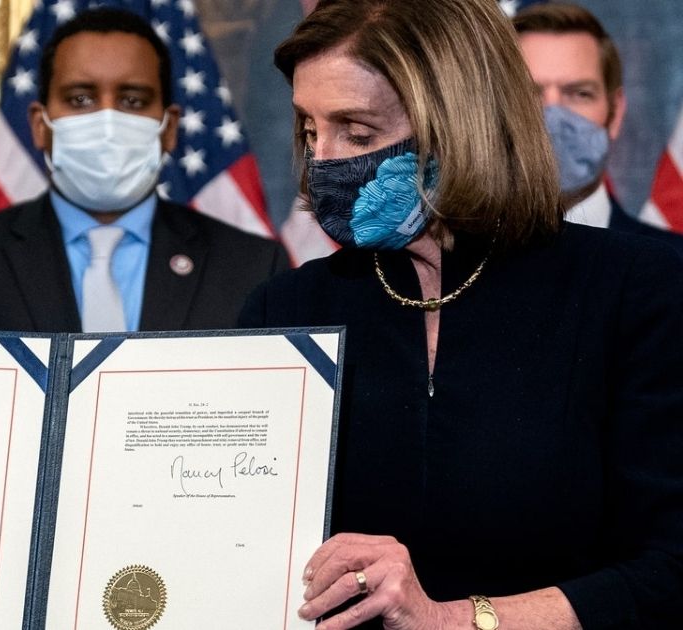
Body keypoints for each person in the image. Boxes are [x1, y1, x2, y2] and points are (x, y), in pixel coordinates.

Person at [240, 0, 683, 628]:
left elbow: (668, 569)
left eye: (357, 133)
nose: (323, 163)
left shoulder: (636, 289)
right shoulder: (285, 309)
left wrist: (452, 620)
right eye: (311, 131)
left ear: (459, 124)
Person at [0, 8, 287, 333]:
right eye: (80, 99)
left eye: (132, 100)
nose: (107, 121)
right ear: (39, 126)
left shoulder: (252, 268)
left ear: (169, 128)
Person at [514, 1, 683, 257]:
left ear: (615, 114)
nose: (553, 117)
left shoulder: (674, 262)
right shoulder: (455, 264)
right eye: (529, 94)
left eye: (580, 93)